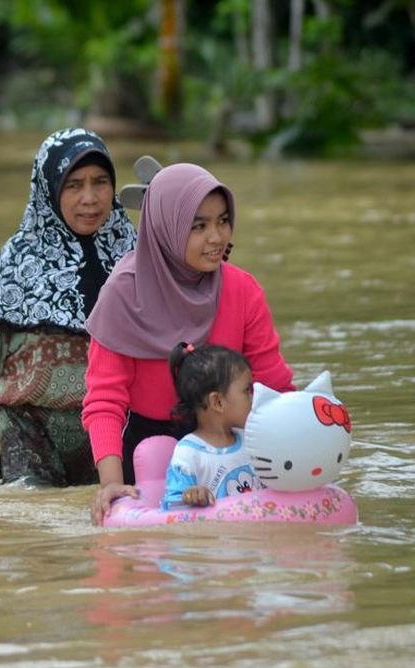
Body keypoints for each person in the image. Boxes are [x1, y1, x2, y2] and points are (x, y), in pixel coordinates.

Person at [83, 162, 294, 524]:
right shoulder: (123, 294)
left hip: (231, 445)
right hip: (146, 454)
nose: (216, 237)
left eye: (223, 221)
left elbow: (273, 387)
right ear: (167, 229)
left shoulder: (243, 290)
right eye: (199, 226)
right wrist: (112, 485)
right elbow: (105, 400)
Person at [0, 128, 137, 490]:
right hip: (30, 427)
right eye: (73, 185)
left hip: (113, 426)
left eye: (100, 182)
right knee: (32, 517)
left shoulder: (134, 253)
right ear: (49, 188)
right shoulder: (19, 259)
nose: (90, 198)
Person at [160, 343, 259, 510]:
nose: (253, 398)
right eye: (247, 390)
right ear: (217, 402)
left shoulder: (251, 440)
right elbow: (171, 507)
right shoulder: (189, 453)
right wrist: (191, 495)